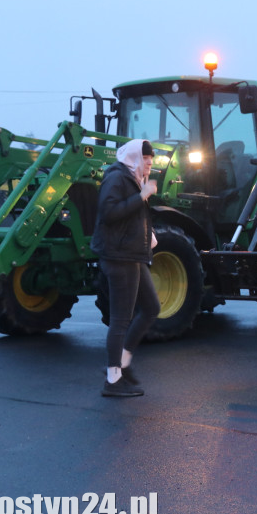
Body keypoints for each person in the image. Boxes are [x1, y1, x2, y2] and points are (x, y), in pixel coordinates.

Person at [91, 139, 161, 398]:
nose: (149, 165)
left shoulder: (133, 179)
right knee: (121, 319)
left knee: (151, 308)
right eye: (146, 160)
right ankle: (112, 379)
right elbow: (109, 212)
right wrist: (141, 196)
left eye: (151, 162)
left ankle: (124, 362)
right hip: (119, 257)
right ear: (133, 157)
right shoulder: (117, 178)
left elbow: (134, 216)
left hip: (133, 254)